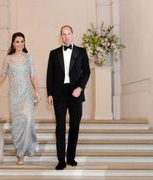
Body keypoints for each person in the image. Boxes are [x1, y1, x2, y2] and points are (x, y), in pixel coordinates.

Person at [0, 32, 40, 165]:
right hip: (15, 95)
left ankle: (27, 146)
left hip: (27, 93)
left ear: (24, 43)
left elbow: (33, 76)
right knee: (18, 123)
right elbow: (3, 75)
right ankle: (20, 153)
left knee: (27, 119)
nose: (20, 44)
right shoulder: (8, 58)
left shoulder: (29, 57)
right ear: (13, 43)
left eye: (22, 41)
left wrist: (37, 90)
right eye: (17, 41)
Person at [46, 25, 90, 170]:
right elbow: (50, 75)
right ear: (60, 36)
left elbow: (87, 72)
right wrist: (50, 93)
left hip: (76, 93)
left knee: (75, 126)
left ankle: (71, 157)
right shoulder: (53, 53)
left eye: (68, 33)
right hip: (59, 94)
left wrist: (80, 87)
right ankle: (61, 160)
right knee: (60, 127)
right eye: (63, 34)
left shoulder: (81, 52)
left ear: (72, 35)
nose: (66, 36)